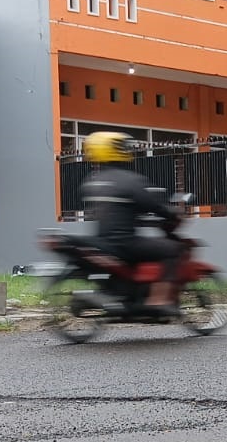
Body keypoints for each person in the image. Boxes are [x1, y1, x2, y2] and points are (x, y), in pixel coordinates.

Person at [78, 131, 183, 315]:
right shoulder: (130, 180)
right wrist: (171, 213)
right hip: (125, 243)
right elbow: (155, 205)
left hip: (103, 242)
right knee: (173, 250)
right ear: (117, 150)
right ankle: (158, 300)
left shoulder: (92, 181)